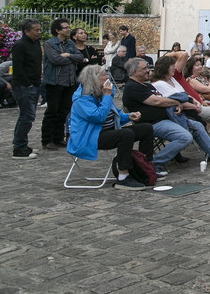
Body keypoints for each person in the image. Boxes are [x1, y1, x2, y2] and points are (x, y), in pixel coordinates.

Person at [67, 64, 153, 190]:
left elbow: (112, 114)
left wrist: (128, 116)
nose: (108, 78)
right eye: (104, 75)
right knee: (125, 135)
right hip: (88, 138)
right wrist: (107, 96)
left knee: (145, 128)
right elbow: (98, 117)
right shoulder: (81, 99)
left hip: (106, 132)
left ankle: (145, 167)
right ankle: (123, 177)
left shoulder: (100, 93)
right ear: (94, 79)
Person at [41, 18, 85, 151]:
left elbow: (80, 57)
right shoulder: (49, 44)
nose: (68, 29)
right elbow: (55, 59)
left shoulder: (70, 44)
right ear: (57, 30)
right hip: (55, 82)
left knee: (63, 111)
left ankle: (58, 138)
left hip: (69, 82)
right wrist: (70, 58)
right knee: (52, 111)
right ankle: (47, 140)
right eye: (65, 27)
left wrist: (68, 56)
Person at [11, 19, 42, 159]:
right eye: (36, 30)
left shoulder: (36, 43)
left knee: (29, 116)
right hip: (24, 85)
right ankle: (19, 148)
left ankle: (21, 144)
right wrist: (28, 83)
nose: (39, 32)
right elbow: (18, 67)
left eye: (39, 29)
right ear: (26, 31)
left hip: (34, 84)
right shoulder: (20, 45)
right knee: (26, 116)